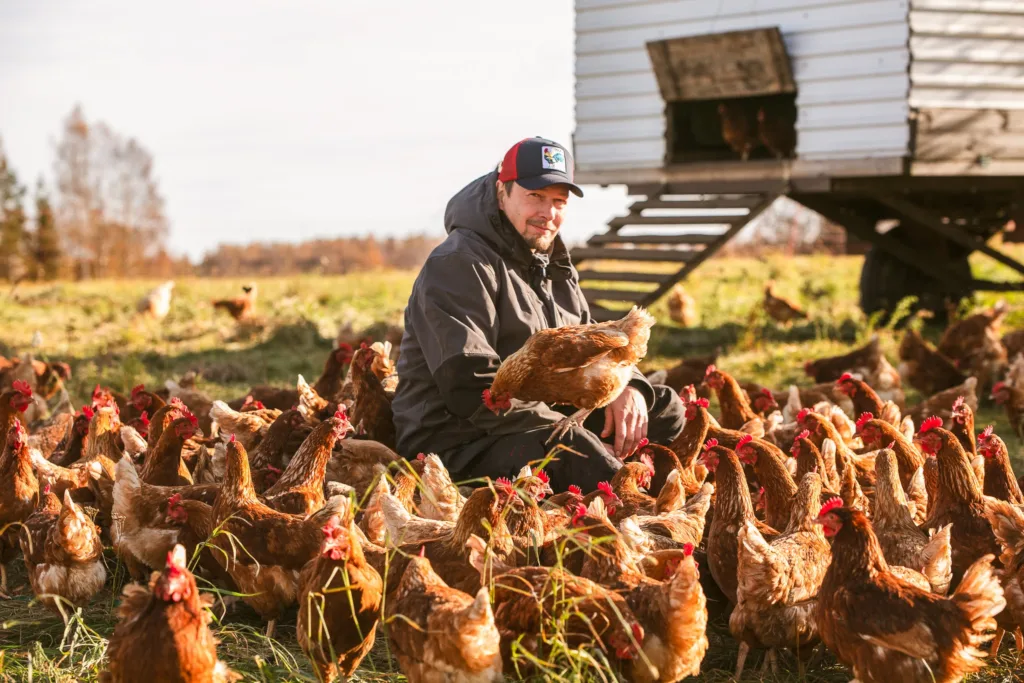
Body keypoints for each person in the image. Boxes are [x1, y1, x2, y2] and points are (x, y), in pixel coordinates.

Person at [391, 137, 686, 492]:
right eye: (535, 197)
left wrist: (628, 388)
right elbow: (471, 387)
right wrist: (573, 430)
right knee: (575, 452)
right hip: (461, 439)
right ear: (502, 192)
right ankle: (634, 503)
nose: (548, 213)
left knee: (665, 407)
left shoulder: (552, 266)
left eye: (558, 201)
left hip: (543, 416)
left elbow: (594, 344)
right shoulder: (459, 264)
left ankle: (625, 479)